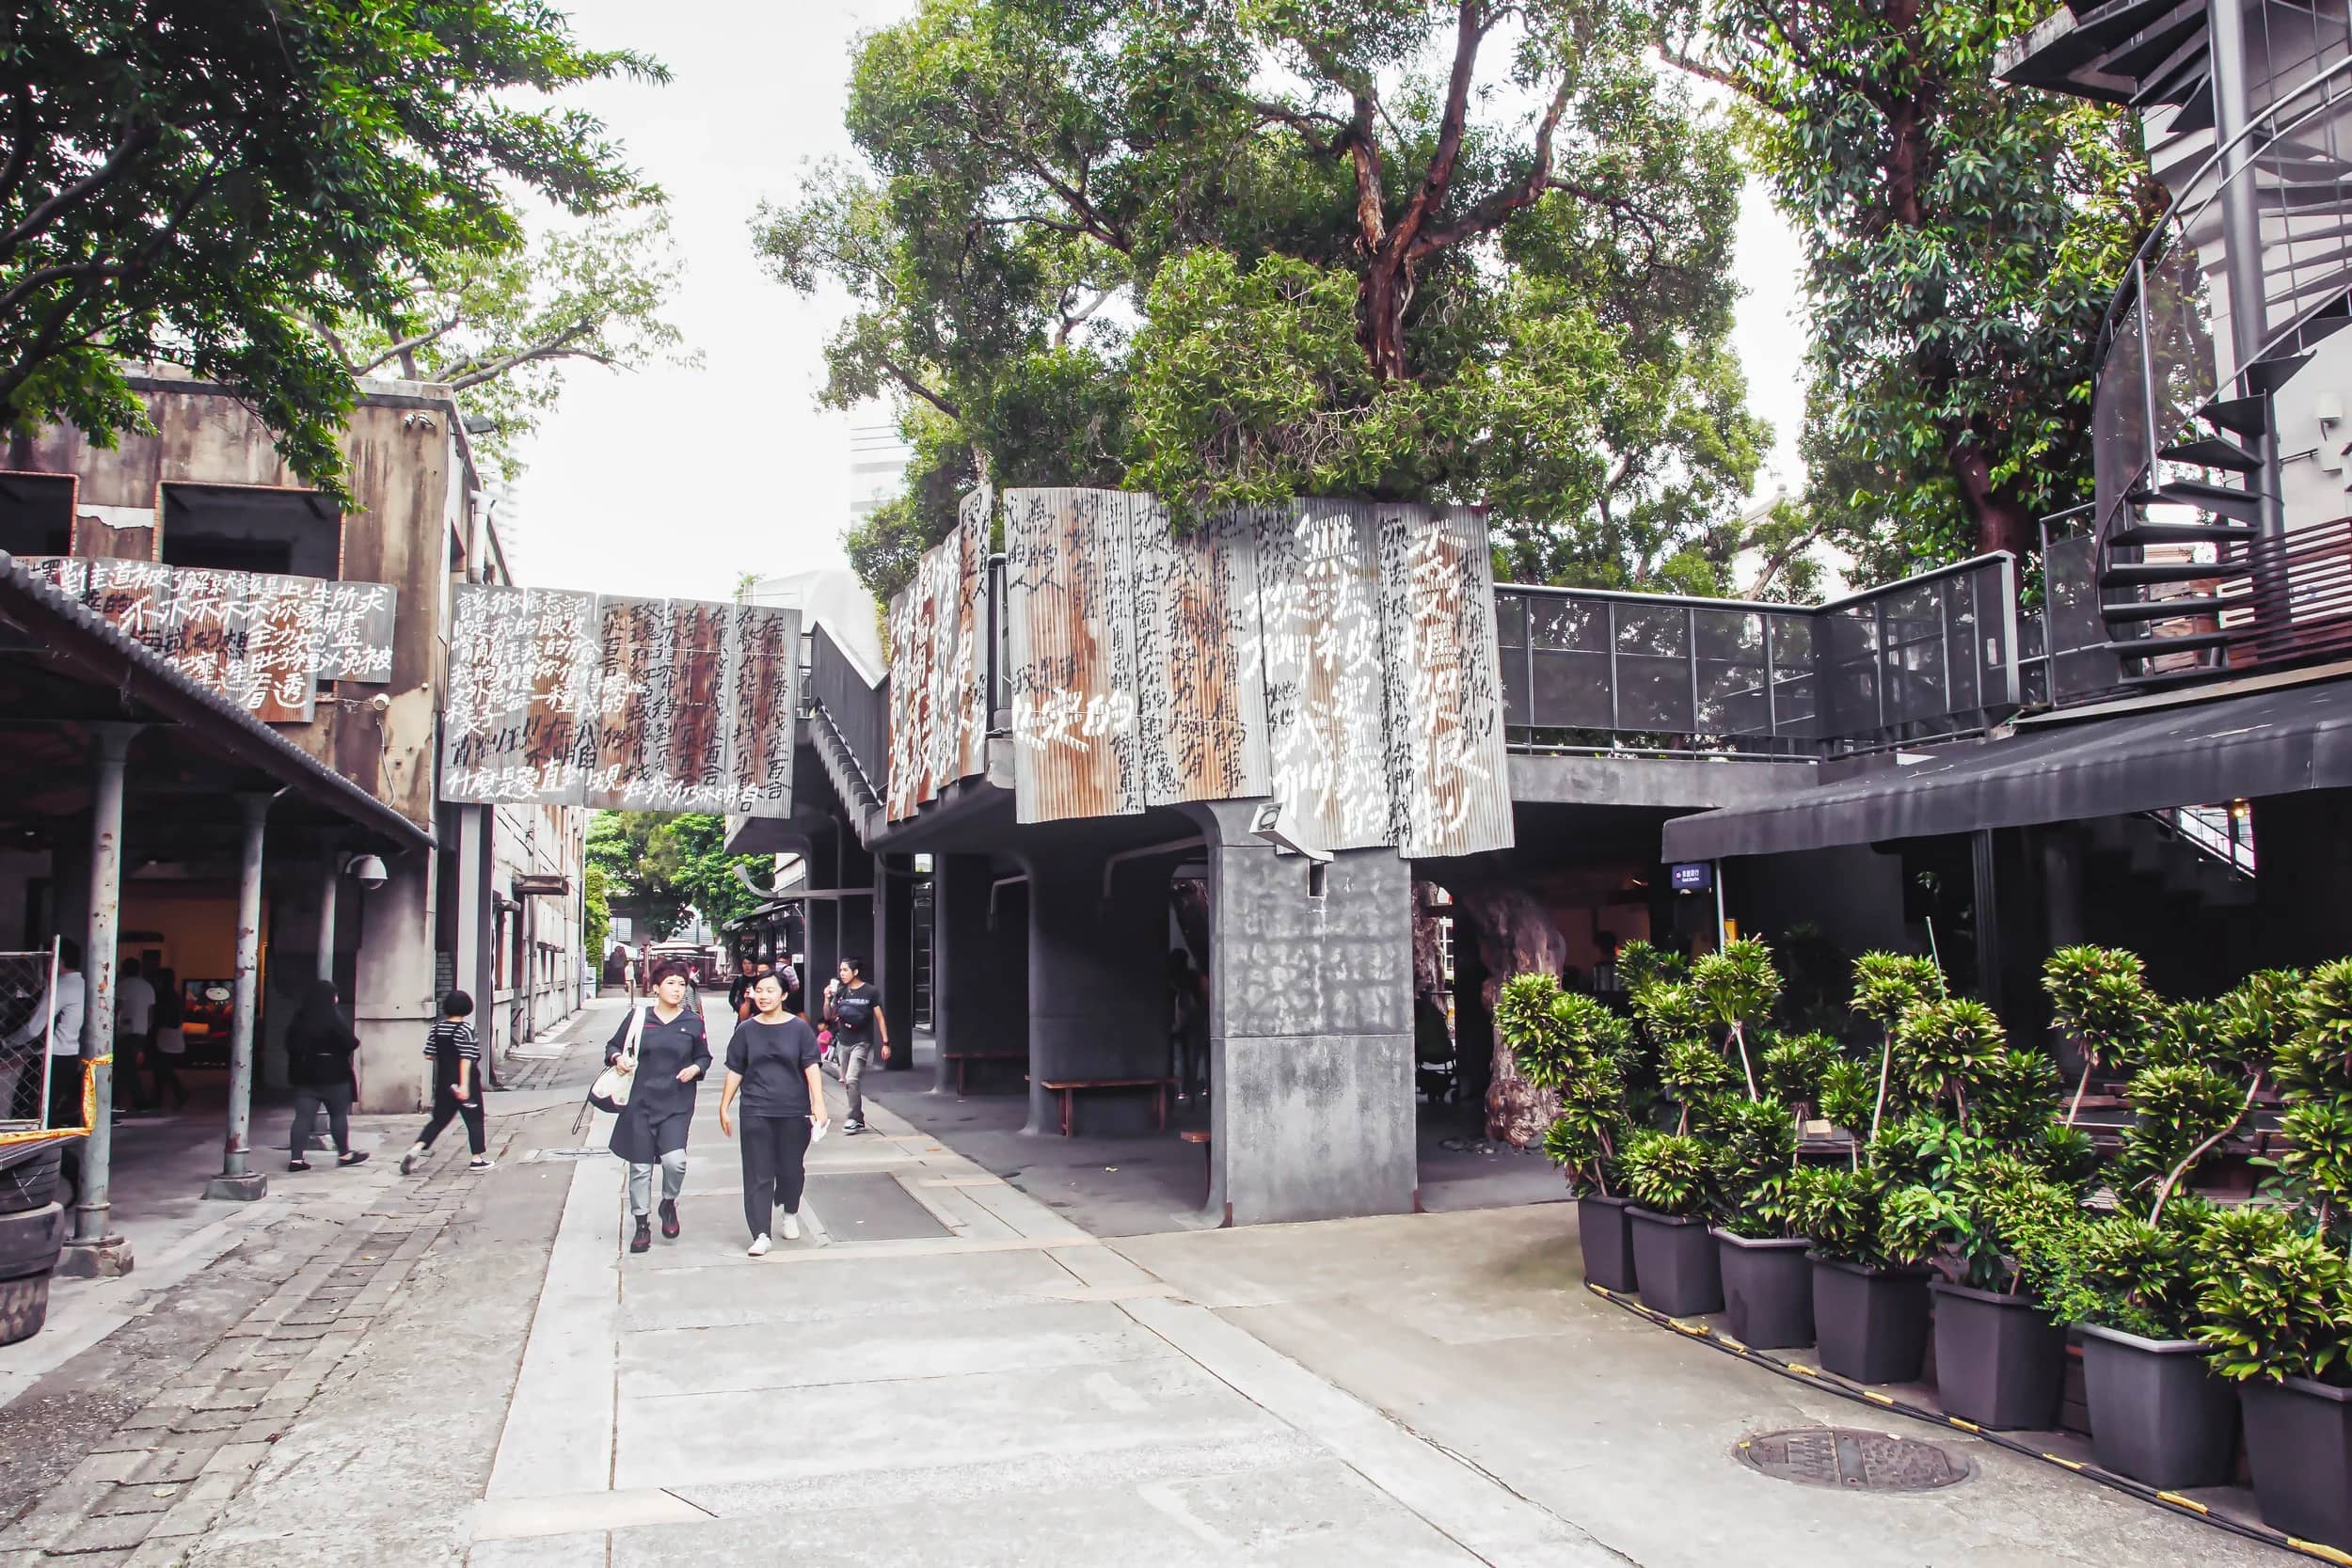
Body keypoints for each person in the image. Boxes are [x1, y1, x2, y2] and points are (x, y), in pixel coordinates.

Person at [719, 969, 828, 1256]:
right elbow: (735, 1069)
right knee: (757, 1172)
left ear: (783, 995)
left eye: (770, 990)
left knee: (791, 1170)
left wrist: (818, 1102)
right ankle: (761, 1234)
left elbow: (811, 1066)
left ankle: (789, 1210)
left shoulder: (799, 1029)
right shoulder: (746, 1030)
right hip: (755, 1108)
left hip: (793, 1109)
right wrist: (724, 1106)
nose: (763, 996)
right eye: (759, 990)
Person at [606, 960, 711, 1253]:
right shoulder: (639, 1018)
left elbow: (705, 1057)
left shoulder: (692, 1022)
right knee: (639, 1168)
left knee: (675, 1162)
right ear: (656, 988)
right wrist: (618, 1059)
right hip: (639, 1103)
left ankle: (668, 1202)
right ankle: (641, 1224)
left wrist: (695, 1069)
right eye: (671, 984)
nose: (677, 990)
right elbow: (612, 1046)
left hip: (676, 1102)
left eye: (682, 984)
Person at [401, 990, 491, 1174]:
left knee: (439, 1119)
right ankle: (477, 1159)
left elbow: (429, 1054)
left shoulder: (437, 1028)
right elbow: (466, 1058)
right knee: (474, 1119)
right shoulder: (466, 1029)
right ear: (467, 1007)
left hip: (444, 1081)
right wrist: (464, 1086)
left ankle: (417, 1148)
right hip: (465, 1080)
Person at [285, 979, 367, 1170]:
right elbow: (351, 1042)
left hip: (305, 1075)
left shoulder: (299, 1017)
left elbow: (290, 1045)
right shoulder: (333, 1017)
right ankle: (345, 1155)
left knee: (303, 1117)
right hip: (334, 1074)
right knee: (338, 1115)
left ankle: (296, 1159)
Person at [824, 956, 887, 1135]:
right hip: (843, 1042)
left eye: (845, 970)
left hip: (862, 1041)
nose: (841, 974)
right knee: (847, 1082)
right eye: (841, 970)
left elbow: (880, 1018)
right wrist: (827, 999)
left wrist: (885, 1042)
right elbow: (828, 1016)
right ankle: (858, 1117)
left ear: (856, 972)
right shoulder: (841, 992)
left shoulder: (870, 991)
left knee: (852, 1079)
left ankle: (852, 1117)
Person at [115, 958, 155, 1115]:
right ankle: (136, 1100)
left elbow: (118, 1008)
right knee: (128, 1066)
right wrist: (148, 1027)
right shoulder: (147, 986)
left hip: (126, 1030)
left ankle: (131, 1100)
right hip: (141, 1030)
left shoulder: (123, 985)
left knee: (125, 1066)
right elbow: (151, 1011)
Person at [1167, 949, 1207, 1104]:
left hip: (1183, 1021)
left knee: (1181, 1057)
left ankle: (1183, 1090)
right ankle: (1199, 1088)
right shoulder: (1194, 976)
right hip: (1195, 1020)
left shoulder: (1175, 979)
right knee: (1196, 1056)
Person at [148, 968, 187, 1111]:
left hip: (163, 1036)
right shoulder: (175, 996)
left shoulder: (162, 996)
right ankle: (167, 1095)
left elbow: (161, 1018)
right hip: (171, 1036)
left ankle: (175, 1093)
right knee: (163, 1068)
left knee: (161, 1069)